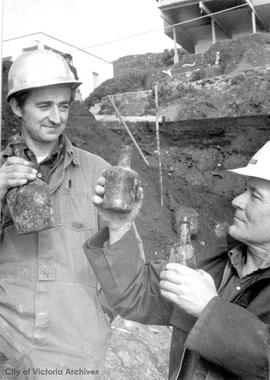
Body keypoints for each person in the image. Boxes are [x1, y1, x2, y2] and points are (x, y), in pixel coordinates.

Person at [85, 142, 270, 379]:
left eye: (254, 196)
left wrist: (210, 310)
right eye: (245, 189)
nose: (237, 200)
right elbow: (135, 294)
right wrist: (119, 225)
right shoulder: (213, 265)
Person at [0, 49, 112, 379]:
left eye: (63, 105)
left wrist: (97, 319)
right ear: (16, 107)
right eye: (44, 105)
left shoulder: (98, 172)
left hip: (76, 354)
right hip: (6, 348)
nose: (57, 117)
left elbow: (121, 259)